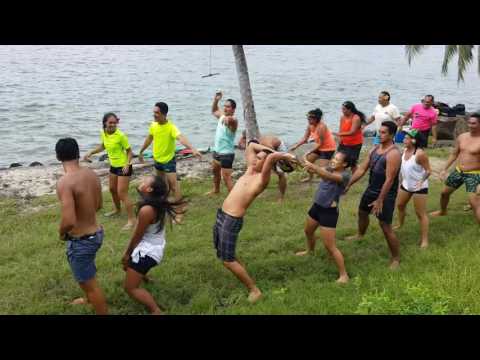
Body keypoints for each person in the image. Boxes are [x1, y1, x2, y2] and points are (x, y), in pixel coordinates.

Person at [213, 141, 297, 303]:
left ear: (267, 165)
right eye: (256, 158)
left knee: (227, 260)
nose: (254, 160)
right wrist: (269, 152)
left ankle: (255, 290)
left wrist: (283, 156)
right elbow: (251, 146)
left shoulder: (261, 180)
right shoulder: (249, 171)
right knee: (221, 251)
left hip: (232, 220)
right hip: (222, 214)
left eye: (260, 159)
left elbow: (272, 158)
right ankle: (240, 269)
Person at [55, 138, 108, 315]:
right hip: (97, 233)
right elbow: (99, 205)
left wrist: (61, 233)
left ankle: (94, 302)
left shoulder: (65, 182)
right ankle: (87, 299)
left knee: (90, 284)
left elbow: (69, 221)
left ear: (58, 157)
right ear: (78, 154)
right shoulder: (91, 174)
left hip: (82, 241)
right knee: (87, 274)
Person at [122, 175, 185, 315]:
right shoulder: (156, 203)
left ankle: (155, 310)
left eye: (144, 181)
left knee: (130, 288)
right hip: (154, 247)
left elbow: (137, 236)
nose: (141, 180)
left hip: (148, 252)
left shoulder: (147, 210)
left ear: (149, 189)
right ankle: (144, 276)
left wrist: (127, 254)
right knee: (127, 266)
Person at [344, 121, 402, 269]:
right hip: (371, 189)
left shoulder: (393, 153)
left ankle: (396, 258)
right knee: (362, 212)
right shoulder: (374, 150)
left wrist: (380, 200)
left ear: (392, 135)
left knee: (385, 225)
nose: (379, 134)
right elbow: (361, 169)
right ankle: (360, 234)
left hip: (386, 194)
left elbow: (389, 180)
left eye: (383, 132)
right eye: (379, 131)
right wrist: (349, 184)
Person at [138, 102, 201, 222]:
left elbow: (181, 138)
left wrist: (192, 148)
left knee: (173, 186)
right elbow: (149, 138)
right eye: (154, 112)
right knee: (161, 186)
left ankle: (179, 211)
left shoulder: (171, 127)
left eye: (157, 113)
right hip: (157, 160)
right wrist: (141, 150)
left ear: (164, 114)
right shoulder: (153, 125)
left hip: (168, 161)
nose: (154, 115)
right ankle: (163, 207)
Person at [296, 151, 351, 283]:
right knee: (308, 231)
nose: (333, 160)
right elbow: (319, 171)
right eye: (333, 157)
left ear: (344, 164)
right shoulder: (329, 168)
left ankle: (344, 275)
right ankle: (310, 250)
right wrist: (299, 161)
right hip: (317, 207)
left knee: (329, 246)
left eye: (337, 159)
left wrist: (313, 166)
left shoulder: (344, 176)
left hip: (328, 213)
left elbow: (326, 175)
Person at [84, 112, 136, 230]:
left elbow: (129, 152)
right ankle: (117, 210)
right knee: (112, 189)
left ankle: (132, 220)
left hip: (124, 166)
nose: (112, 124)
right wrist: (91, 152)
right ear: (105, 123)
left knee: (122, 193)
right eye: (110, 122)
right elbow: (103, 146)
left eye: (114, 122)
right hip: (113, 166)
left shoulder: (121, 136)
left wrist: (127, 164)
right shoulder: (104, 133)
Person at [430, 112, 480, 224]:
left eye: (474, 123)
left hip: (474, 174)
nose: (470, 125)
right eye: (469, 123)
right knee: (444, 193)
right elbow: (454, 154)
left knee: (474, 201)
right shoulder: (462, 137)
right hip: (458, 171)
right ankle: (443, 211)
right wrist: (444, 169)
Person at [393, 129, 431, 248]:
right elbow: (402, 168)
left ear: (414, 140)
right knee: (399, 205)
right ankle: (400, 223)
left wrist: (421, 181)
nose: (404, 139)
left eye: (406, 138)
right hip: (406, 185)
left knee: (420, 214)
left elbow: (429, 170)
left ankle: (425, 240)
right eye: (404, 138)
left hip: (419, 187)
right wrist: (400, 181)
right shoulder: (404, 151)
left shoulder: (420, 154)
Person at [238, 131, 290, 202]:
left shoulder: (265, 143)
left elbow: (272, 153)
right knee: (258, 170)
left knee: (280, 173)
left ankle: (281, 197)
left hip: (277, 149)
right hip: (267, 150)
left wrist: (271, 164)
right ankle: (257, 191)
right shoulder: (247, 141)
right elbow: (241, 146)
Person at [289, 108, 337, 182]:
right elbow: (305, 138)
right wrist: (296, 146)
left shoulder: (321, 127)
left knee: (322, 170)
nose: (308, 121)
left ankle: (333, 174)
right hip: (319, 147)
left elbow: (320, 143)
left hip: (328, 149)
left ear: (316, 119)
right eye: (308, 119)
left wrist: (309, 152)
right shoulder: (310, 125)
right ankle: (311, 177)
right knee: (307, 163)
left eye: (310, 119)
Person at [206, 91, 238, 195]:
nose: (225, 108)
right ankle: (216, 190)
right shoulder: (222, 117)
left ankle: (234, 199)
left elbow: (232, 121)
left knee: (227, 178)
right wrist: (216, 100)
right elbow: (214, 110)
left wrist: (229, 119)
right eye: (224, 106)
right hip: (217, 151)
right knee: (215, 172)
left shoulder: (233, 120)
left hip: (227, 154)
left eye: (228, 107)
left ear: (233, 109)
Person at [333, 101, 365, 174]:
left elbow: (352, 132)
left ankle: (355, 176)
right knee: (338, 159)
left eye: (344, 109)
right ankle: (338, 175)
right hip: (344, 143)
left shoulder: (356, 118)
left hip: (355, 144)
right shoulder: (342, 117)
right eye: (342, 109)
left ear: (349, 110)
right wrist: (339, 139)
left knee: (352, 163)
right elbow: (341, 129)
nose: (342, 111)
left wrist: (338, 134)